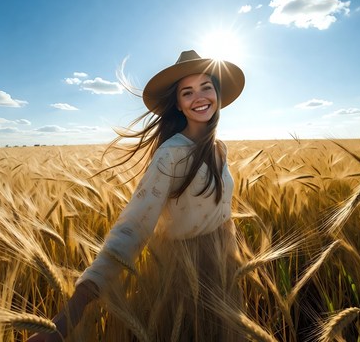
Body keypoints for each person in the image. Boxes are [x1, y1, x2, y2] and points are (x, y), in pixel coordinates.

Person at [28, 49, 247, 341]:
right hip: (184, 277)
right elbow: (132, 229)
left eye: (206, 87)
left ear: (217, 95)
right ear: (179, 105)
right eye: (187, 92)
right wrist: (70, 315)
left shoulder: (220, 149)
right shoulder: (170, 155)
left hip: (225, 270)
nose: (199, 98)